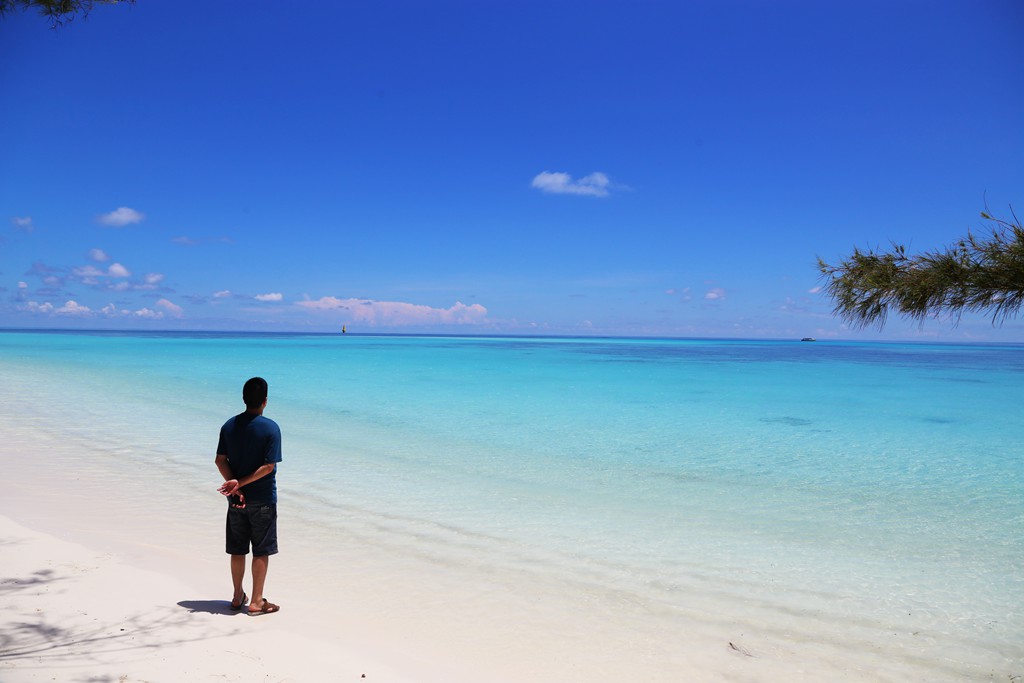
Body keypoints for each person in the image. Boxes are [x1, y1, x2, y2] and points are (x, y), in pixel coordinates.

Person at [215, 376, 283, 615]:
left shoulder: (229, 426)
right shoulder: (271, 428)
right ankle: (256, 601)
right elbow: (268, 467)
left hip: (236, 499)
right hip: (263, 499)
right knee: (261, 550)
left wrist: (236, 487)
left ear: (244, 399)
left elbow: (220, 460)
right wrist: (241, 483)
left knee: (237, 549)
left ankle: (237, 597)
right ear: (265, 401)